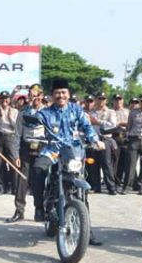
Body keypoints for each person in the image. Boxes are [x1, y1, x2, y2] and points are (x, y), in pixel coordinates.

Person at [30, 78, 105, 223]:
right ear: (52, 95)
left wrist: (96, 140)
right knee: (38, 169)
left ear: (69, 94)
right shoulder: (45, 113)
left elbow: (87, 126)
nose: (60, 96)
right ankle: (39, 207)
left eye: (63, 92)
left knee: (82, 186)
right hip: (53, 150)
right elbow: (33, 120)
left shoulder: (77, 110)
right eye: (57, 93)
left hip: (74, 151)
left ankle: (86, 229)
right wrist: (31, 108)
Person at [7, 84, 45, 222]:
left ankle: (39, 210)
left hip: (42, 148)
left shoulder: (47, 112)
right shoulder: (23, 113)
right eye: (31, 94)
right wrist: (15, 155)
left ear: (41, 96)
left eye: (36, 95)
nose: (33, 97)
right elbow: (16, 135)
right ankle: (19, 210)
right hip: (26, 148)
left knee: (39, 180)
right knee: (21, 180)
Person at [87, 92, 118, 194]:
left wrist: (98, 122)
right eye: (99, 98)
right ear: (96, 100)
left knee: (106, 164)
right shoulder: (91, 112)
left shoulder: (110, 112)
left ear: (106, 100)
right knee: (93, 164)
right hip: (94, 140)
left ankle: (111, 187)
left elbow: (113, 125)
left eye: (103, 98)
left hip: (105, 140)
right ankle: (96, 186)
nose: (101, 100)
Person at [0, 90, 19, 195]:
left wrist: (10, 118)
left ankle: (15, 187)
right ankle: (1, 186)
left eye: (6, 98)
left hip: (10, 137)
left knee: (13, 162)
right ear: (0, 100)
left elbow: (16, 127)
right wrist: (0, 118)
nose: (4, 100)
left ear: (9, 100)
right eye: (2, 98)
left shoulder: (15, 111)